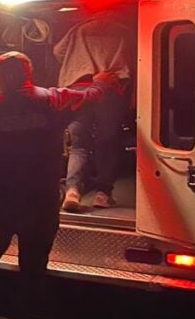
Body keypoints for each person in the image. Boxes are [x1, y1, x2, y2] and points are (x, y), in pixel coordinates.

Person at [0, 51, 121, 319]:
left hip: (0, 199)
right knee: (33, 266)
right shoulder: (53, 99)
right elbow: (92, 96)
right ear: (27, 74)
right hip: (39, 200)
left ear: (1, 77)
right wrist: (99, 81)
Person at [53, 16, 134, 211]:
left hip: (77, 89)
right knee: (107, 142)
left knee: (78, 145)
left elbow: (58, 52)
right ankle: (103, 194)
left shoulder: (78, 29)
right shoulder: (123, 30)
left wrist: (82, 63)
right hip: (111, 89)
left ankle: (72, 191)